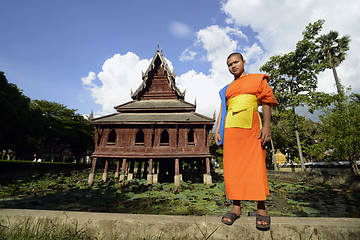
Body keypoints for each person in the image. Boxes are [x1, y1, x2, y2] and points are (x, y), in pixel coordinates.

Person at [215, 53, 278, 231]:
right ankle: (236, 207)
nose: (233, 66)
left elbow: (266, 103)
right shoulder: (227, 89)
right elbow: (223, 109)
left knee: (256, 165)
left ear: (243, 62)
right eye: (229, 65)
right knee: (232, 167)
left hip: (251, 127)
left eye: (235, 62)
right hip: (231, 129)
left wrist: (267, 127)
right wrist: (218, 130)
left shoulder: (257, 80)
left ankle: (261, 209)